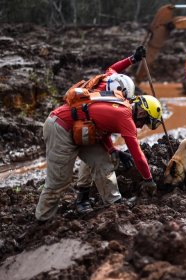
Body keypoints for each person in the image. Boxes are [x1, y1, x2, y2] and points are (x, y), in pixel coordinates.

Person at [35, 91, 162, 221]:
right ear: (142, 112)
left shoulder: (121, 105)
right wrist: (148, 179)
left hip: (82, 129)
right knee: (59, 179)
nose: (141, 126)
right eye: (145, 122)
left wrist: (112, 150)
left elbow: (103, 129)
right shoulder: (125, 116)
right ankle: (43, 219)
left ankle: (114, 203)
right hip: (60, 127)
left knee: (102, 162)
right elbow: (137, 154)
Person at [73, 47, 145, 214]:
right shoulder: (102, 95)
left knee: (98, 151)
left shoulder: (110, 82)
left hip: (88, 124)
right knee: (93, 151)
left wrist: (133, 59)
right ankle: (82, 197)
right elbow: (102, 133)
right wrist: (111, 149)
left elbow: (113, 68)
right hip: (80, 124)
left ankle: (86, 195)